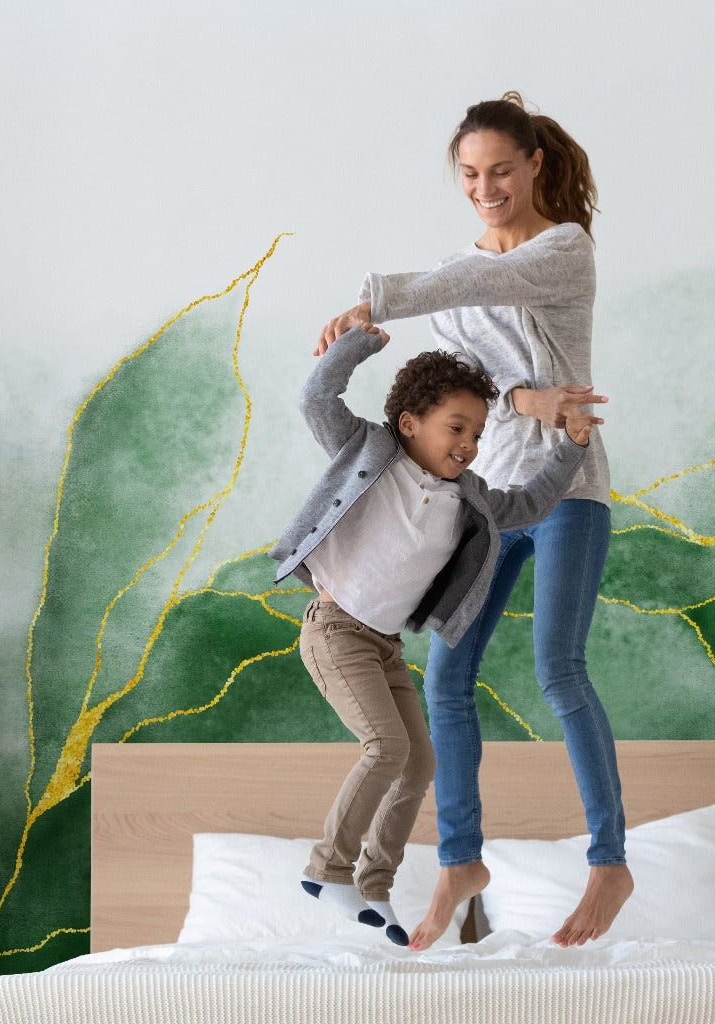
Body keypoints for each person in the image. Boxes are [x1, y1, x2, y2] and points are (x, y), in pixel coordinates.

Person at [317, 92, 634, 950]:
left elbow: (488, 281)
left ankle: (610, 862)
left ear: (534, 163)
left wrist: (375, 296)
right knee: (445, 681)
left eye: (500, 170)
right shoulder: (457, 277)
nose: (486, 187)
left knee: (558, 669)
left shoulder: (563, 250)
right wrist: (525, 395)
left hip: (566, 491)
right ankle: (462, 860)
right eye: (469, 174)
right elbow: (478, 387)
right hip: (488, 502)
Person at [269, 329, 594, 946]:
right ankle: (328, 868)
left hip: (384, 644)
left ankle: (371, 884)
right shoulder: (369, 450)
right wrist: (359, 343)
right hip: (334, 629)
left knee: (419, 761)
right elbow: (317, 397)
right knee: (385, 749)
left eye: (476, 433)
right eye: (456, 429)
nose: (469, 445)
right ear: (411, 422)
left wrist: (571, 449)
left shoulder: (467, 498)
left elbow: (526, 505)